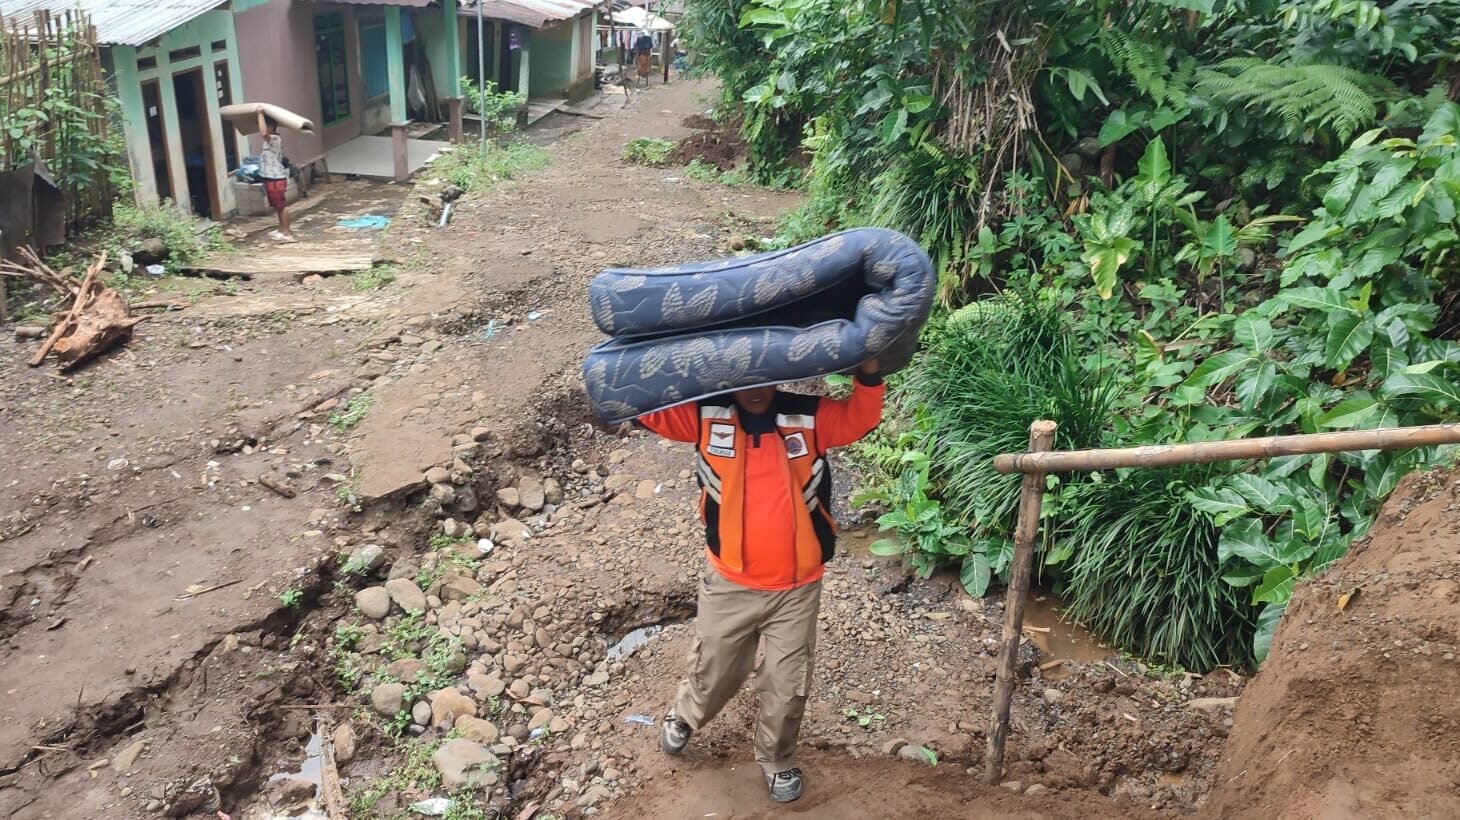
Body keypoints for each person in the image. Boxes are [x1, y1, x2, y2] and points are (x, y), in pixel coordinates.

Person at [636, 358, 885, 804]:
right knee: (715, 669)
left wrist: (868, 374)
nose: (754, 388)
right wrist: (652, 361)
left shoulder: (807, 417)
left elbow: (858, 418)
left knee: (787, 684)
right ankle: (685, 717)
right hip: (730, 581)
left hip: (797, 587)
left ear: (777, 374)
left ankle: (777, 759)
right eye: (743, 378)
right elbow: (645, 409)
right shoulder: (705, 415)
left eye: (762, 376)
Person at [256, 106, 295, 243]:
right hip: (269, 177)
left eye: (266, 125)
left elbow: (263, 133)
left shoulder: (274, 139)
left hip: (276, 178)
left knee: (281, 205)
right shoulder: (268, 141)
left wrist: (260, 114)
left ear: (272, 127)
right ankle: (281, 229)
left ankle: (286, 232)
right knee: (277, 205)